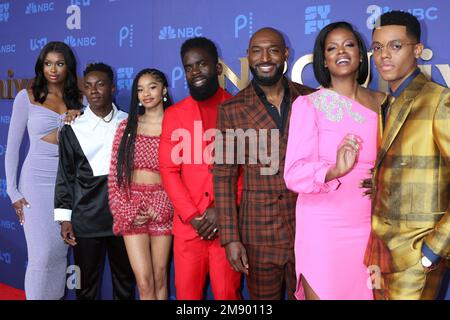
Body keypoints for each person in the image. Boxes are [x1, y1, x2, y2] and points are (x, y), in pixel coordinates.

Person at [283, 22, 385, 300]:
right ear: (324, 60)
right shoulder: (309, 105)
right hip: (322, 226)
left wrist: (384, 181)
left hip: (369, 224)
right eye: (332, 47)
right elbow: (293, 174)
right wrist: (334, 170)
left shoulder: (385, 104)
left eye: (349, 44)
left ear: (362, 55)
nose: (341, 51)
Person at [213, 27, 314, 300]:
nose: (265, 57)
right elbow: (223, 178)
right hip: (257, 233)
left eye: (272, 49)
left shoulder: (312, 100)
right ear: (248, 56)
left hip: (307, 229)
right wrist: (231, 238)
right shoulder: (231, 110)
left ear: (285, 54)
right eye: (257, 50)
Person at [368, 10, 450, 300]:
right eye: (377, 48)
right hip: (381, 255)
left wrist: (433, 250)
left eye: (395, 46)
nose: (384, 56)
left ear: (417, 50)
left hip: (419, 258)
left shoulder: (439, 100)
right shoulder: (385, 104)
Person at [159, 37, 241, 299]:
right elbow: (168, 171)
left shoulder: (239, 109)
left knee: (227, 294)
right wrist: (193, 216)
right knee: (187, 297)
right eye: (188, 67)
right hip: (188, 228)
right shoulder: (174, 115)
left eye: (201, 64)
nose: (195, 72)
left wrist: (222, 209)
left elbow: (248, 170)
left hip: (228, 228)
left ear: (217, 68)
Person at [5, 41, 83, 300]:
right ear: (41, 65)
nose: (53, 69)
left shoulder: (78, 100)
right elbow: (13, 147)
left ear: (68, 67)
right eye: (48, 63)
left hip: (66, 184)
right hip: (35, 183)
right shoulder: (26, 97)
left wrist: (78, 119)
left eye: (59, 64)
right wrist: (13, 191)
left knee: (58, 253)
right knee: (40, 255)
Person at [54, 62, 136, 300]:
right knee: (85, 287)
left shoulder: (129, 123)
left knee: (125, 283)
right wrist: (64, 219)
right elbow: (65, 175)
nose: (94, 91)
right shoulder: (72, 127)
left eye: (100, 84)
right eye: (88, 86)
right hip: (86, 221)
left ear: (112, 88)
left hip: (123, 219)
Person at [108, 68, 174, 300]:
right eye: (140, 89)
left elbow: (182, 174)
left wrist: (165, 203)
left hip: (162, 205)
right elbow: (116, 175)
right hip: (131, 205)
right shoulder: (127, 127)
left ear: (164, 90)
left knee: (160, 277)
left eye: (152, 87)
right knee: (144, 282)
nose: (145, 93)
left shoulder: (176, 127)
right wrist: (125, 209)